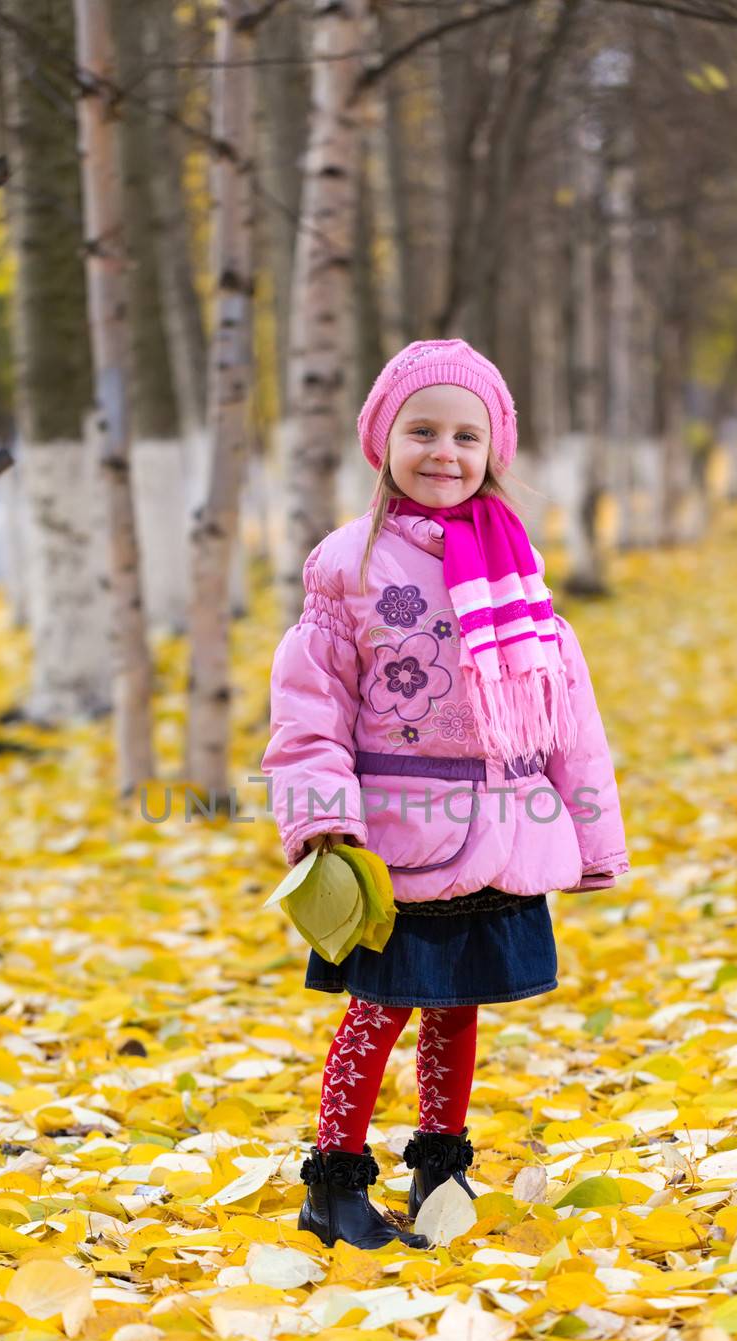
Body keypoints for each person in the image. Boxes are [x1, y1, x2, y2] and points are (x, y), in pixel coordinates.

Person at [261, 338, 629, 1250]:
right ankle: (334, 1184)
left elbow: (568, 716)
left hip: (502, 834)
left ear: (493, 451)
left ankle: (440, 1171)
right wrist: (322, 821)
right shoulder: (349, 565)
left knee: (457, 1005)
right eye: (421, 430)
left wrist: (591, 836)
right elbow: (310, 710)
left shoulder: (518, 572)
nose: (444, 453)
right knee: (379, 1008)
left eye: (467, 436)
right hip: (398, 837)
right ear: (383, 441)